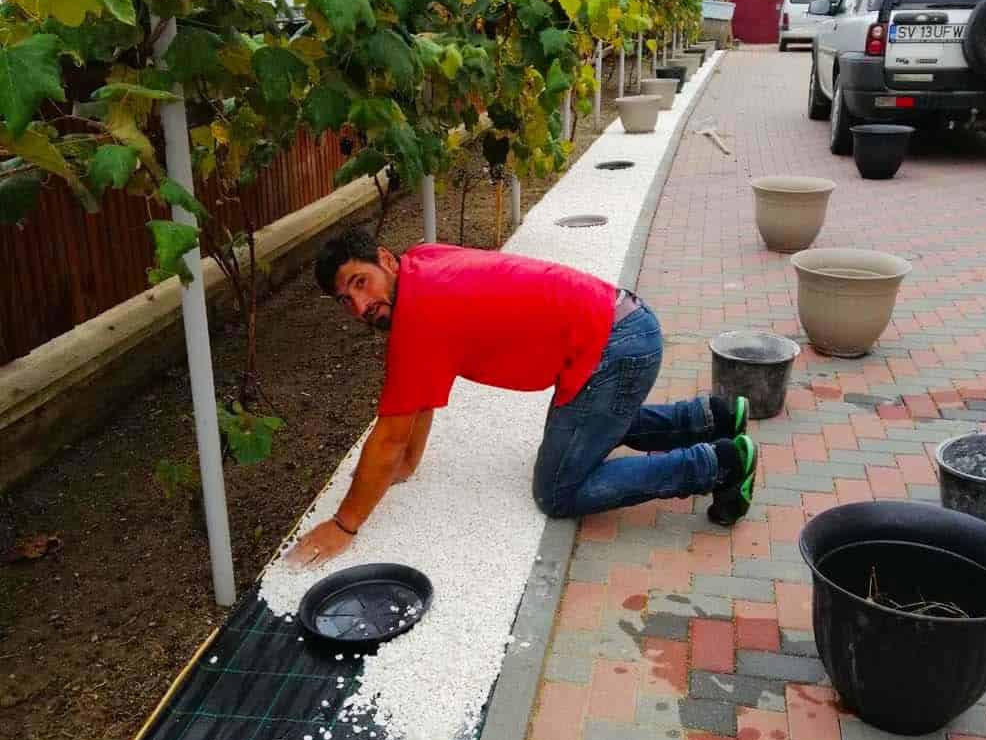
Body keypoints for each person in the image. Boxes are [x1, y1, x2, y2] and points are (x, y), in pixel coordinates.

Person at [287, 229, 756, 567]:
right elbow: (418, 396)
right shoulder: (422, 263)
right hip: (619, 326)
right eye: (345, 300)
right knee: (595, 421)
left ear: (385, 260)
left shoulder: (420, 318)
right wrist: (407, 466)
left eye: (359, 282)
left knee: (558, 491)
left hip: (614, 350)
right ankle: (712, 417)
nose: (360, 306)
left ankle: (720, 464)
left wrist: (345, 525)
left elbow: (388, 436)